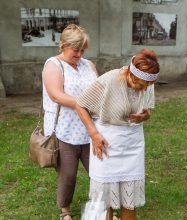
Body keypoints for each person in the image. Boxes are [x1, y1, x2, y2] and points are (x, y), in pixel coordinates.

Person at [75, 48, 160, 220]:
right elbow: (80, 104)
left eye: (148, 86)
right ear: (130, 74)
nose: (144, 89)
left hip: (133, 144)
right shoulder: (109, 80)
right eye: (140, 85)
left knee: (130, 200)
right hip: (107, 143)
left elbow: (148, 108)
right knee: (105, 200)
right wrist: (94, 134)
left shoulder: (147, 82)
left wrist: (145, 116)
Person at [42, 24, 98, 220]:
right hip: (64, 130)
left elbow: (98, 91)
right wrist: (85, 104)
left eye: (83, 50)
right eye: (76, 49)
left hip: (90, 129)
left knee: (99, 173)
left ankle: (102, 210)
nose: (80, 54)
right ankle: (65, 212)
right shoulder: (53, 65)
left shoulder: (88, 65)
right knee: (68, 175)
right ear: (64, 45)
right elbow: (57, 95)